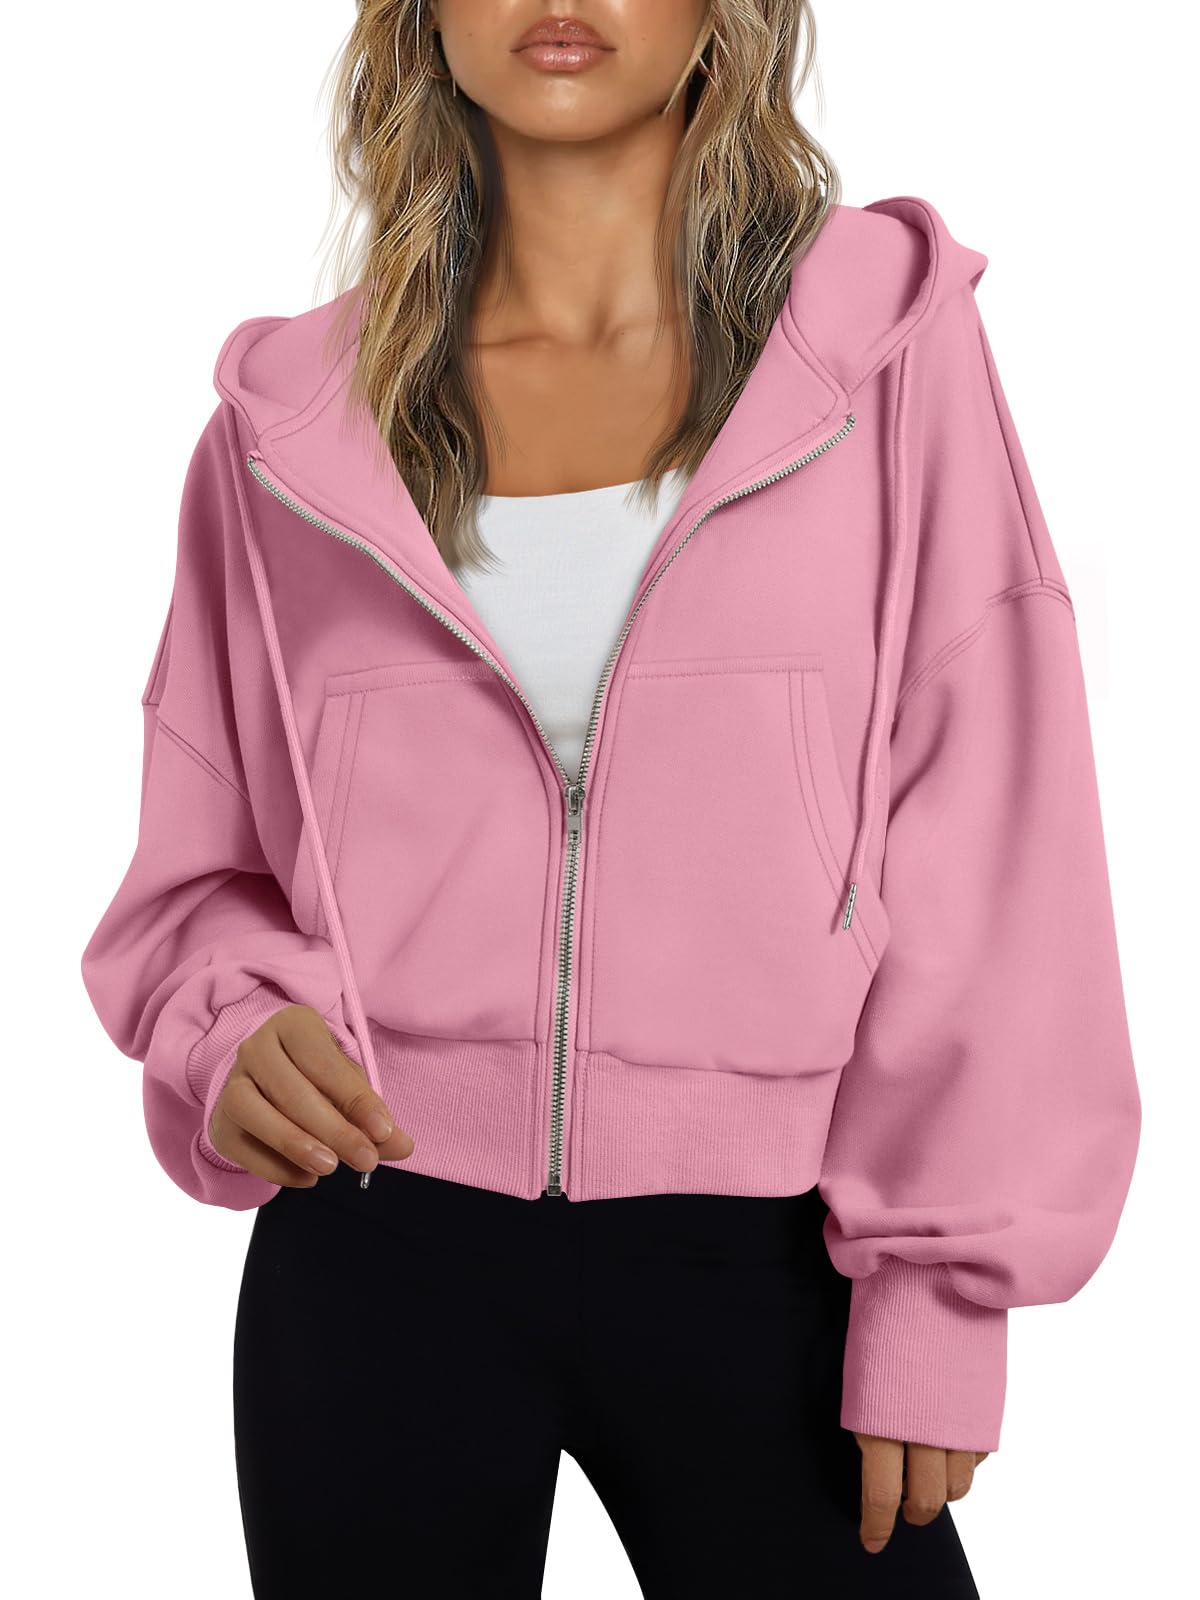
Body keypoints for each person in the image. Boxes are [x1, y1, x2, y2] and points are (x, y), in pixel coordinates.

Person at [79, 3, 1142, 1595]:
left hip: (778, 1250)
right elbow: (199, 868)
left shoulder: (876, 353)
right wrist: (229, 1028)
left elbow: (995, 813)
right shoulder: (289, 433)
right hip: (372, 1244)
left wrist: (941, 1291)